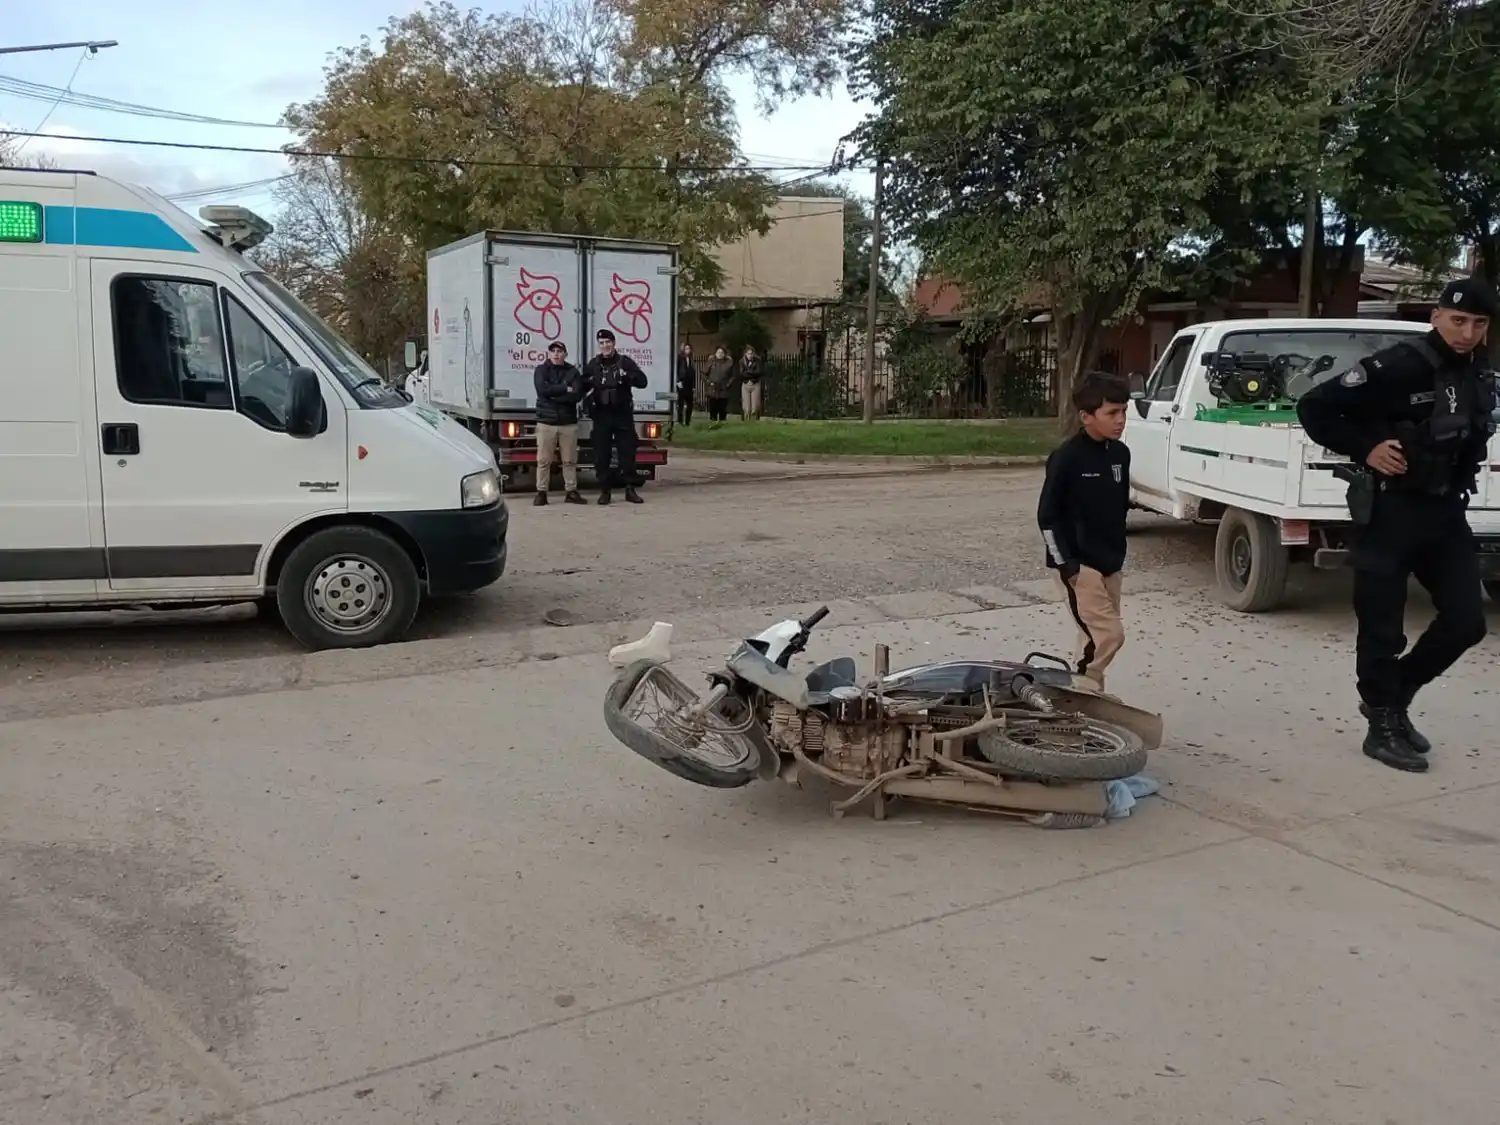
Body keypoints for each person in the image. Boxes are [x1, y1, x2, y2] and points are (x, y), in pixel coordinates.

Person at [1296, 277, 1496, 773]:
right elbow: (1316, 408)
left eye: (1478, 323)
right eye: (1458, 320)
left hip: (1445, 512)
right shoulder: (1398, 365)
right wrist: (1365, 448)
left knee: (1467, 621)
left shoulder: (1478, 374)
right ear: (1436, 317)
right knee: (1382, 626)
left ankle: (1394, 694)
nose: (1467, 332)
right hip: (1390, 512)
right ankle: (1382, 724)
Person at [1036, 372, 1133, 691]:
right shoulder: (1066, 458)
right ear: (1086, 417)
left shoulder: (1120, 454)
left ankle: (1086, 701)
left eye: (1124, 411)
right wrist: (1069, 568)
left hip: (1111, 564)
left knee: (1090, 636)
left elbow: (1117, 509)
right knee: (1107, 636)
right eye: (1112, 413)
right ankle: (1077, 685)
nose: (1121, 420)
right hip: (1079, 565)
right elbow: (1047, 517)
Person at [583, 328, 648, 505]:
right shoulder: (594, 364)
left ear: (614, 343)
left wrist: (627, 376)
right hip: (602, 414)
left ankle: (629, 489)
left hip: (622, 414)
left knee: (627, 453)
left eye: (608, 342)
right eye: (602, 343)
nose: (605, 346)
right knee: (601, 454)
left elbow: (643, 381)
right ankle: (605, 491)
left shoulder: (624, 362)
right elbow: (582, 384)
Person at [532, 341, 587, 507]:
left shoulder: (572, 372)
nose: (556, 354)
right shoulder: (541, 370)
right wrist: (564, 388)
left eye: (560, 351)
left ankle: (571, 491)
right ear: (549, 354)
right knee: (543, 460)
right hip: (546, 423)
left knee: (569, 460)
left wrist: (554, 393)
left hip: (568, 423)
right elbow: (542, 390)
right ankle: (541, 492)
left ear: (565, 354)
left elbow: (577, 395)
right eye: (553, 351)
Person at [705, 346, 735, 422]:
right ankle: (713, 425)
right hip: (712, 390)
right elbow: (703, 373)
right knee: (713, 410)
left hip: (724, 390)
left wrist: (728, 384)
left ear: (724, 354)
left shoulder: (729, 363)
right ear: (715, 353)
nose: (720, 354)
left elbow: (733, 375)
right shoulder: (711, 362)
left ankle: (722, 426)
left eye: (722, 352)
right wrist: (709, 382)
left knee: (722, 410)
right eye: (718, 352)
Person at [739, 345, 764, 420]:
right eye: (748, 354)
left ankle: (754, 420)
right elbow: (741, 374)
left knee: (755, 406)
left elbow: (758, 372)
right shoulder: (742, 361)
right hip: (746, 384)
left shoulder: (758, 361)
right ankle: (747, 420)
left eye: (751, 353)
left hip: (755, 384)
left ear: (754, 354)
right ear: (745, 354)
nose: (750, 355)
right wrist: (751, 372)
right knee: (746, 407)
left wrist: (748, 371)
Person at [676, 342, 696, 426]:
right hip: (681, 382)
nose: (688, 350)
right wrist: (677, 381)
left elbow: (693, 373)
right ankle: (680, 421)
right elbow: (675, 369)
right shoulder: (679, 358)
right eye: (686, 349)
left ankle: (688, 422)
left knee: (690, 404)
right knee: (680, 404)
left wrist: (694, 386)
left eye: (689, 349)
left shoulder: (691, 359)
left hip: (689, 384)